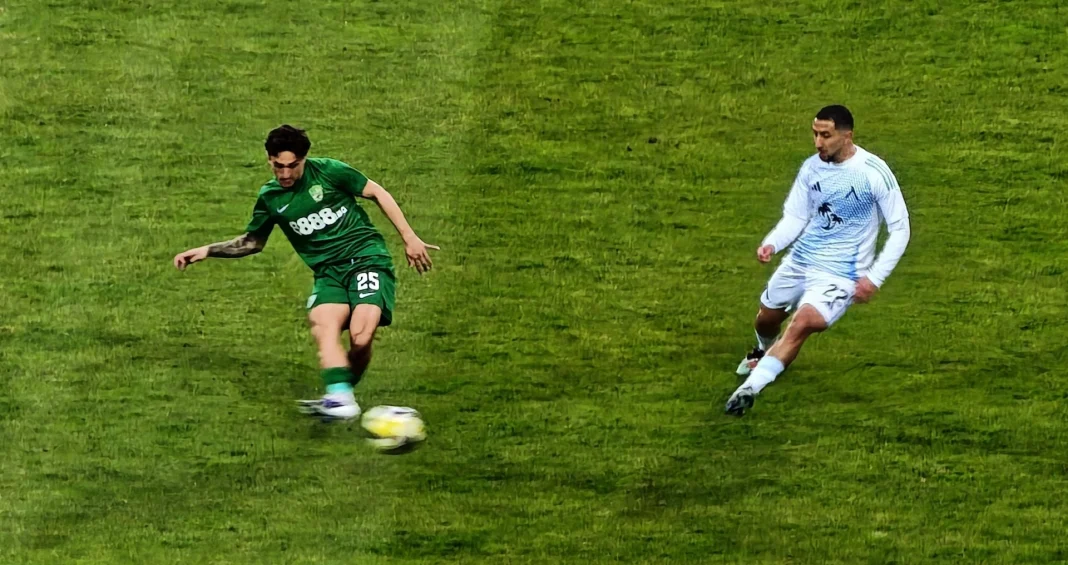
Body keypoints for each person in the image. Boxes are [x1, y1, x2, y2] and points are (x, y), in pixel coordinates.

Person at [173, 125, 438, 420]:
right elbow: (253, 242)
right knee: (322, 324)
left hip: (366, 259)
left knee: (362, 336)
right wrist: (207, 250)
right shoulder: (271, 197)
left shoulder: (329, 172)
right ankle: (340, 399)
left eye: (293, 166)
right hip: (328, 273)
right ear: (269, 160)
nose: (285, 174)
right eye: (278, 166)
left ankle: (341, 391)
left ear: (304, 159)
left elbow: (376, 192)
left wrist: (409, 238)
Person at [725, 105, 911, 416]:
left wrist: (875, 277)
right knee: (766, 319)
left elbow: (901, 228)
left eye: (825, 135)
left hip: (841, 274)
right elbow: (796, 216)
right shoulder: (811, 169)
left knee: (801, 324)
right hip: (801, 260)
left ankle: (749, 389)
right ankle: (762, 351)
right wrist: (773, 242)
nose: (818, 143)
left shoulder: (873, 172)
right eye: (815, 134)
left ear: (847, 136)